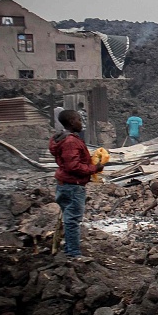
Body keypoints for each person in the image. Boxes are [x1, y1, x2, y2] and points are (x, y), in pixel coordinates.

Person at [49, 110, 103, 261]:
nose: (82, 122)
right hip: (73, 185)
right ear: (72, 121)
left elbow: (69, 162)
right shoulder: (71, 142)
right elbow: (73, 166)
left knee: (68, 217)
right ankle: (73, 254)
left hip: (65, 183)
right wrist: (94, 168)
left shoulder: (64, 139)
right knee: (72, 219)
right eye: (79, 119)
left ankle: (68, 249)